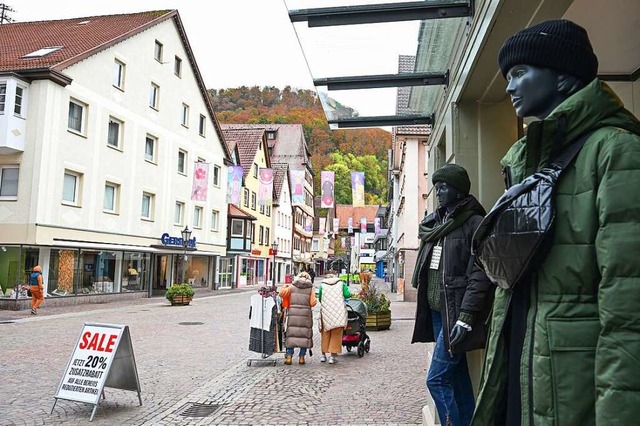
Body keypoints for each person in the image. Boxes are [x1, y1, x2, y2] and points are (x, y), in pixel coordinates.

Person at [472, 20, 640, 426]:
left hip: (573, 386)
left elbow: (629, 309)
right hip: (523, 367)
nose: (510, 87)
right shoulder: (528, 161)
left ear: (563, 75)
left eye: (519, 73)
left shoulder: (617, 152)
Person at [410, 164, 493, 426]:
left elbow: (480, 275)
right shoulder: (436, 223)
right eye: (436, 187)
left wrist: (466, 316)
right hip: (438, 312)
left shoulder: (474, 223)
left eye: (444, 187)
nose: (438, 192)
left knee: (436, 378)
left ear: (458, 190)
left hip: (456, 313)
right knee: (457, 377)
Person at [278, 272, 317, 365]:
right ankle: (301, 357)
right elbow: (313, 303)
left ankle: (289, 357)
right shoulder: (310, 288)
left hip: (293, 313)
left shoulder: (292, 287)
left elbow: (281, 294)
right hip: (305, 314)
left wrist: (285, 287)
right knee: (304, 335)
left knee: (291, 335)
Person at [318, 273, 351, 364]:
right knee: (336, 334)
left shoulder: (322, 285)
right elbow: (347, 294)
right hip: (338, 312)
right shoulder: (341, 284)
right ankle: (332, 356)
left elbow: (320, 298)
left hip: (326, 312)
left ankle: (323, 355)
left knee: (325, 333)